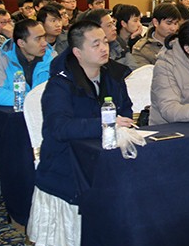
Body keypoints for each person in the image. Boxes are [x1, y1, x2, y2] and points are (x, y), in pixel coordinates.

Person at [36, 20, 134, 204]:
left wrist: (122, 123)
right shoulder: (60, 84)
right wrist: (105, 125)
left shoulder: (114, 75)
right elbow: (59, 128)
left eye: (105, 42)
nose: (104, 48)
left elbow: (125, 109)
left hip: (107, 153)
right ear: (77, 53)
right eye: (96, 45)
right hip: (68, 160)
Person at [0, 19, 54, 106]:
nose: (44, 43)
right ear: (21, 43)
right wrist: (31, 100)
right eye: (38, 39)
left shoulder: (51, 56)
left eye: (44, 37)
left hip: (40, 109)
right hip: (8, 110)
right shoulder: (0, 58)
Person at [132, 2, 184, 67]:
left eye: (175, 23)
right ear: (155, 22)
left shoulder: (182, 43)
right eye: (168, 23)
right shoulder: (142, 50)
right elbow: (144, 72)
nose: (173, 28)